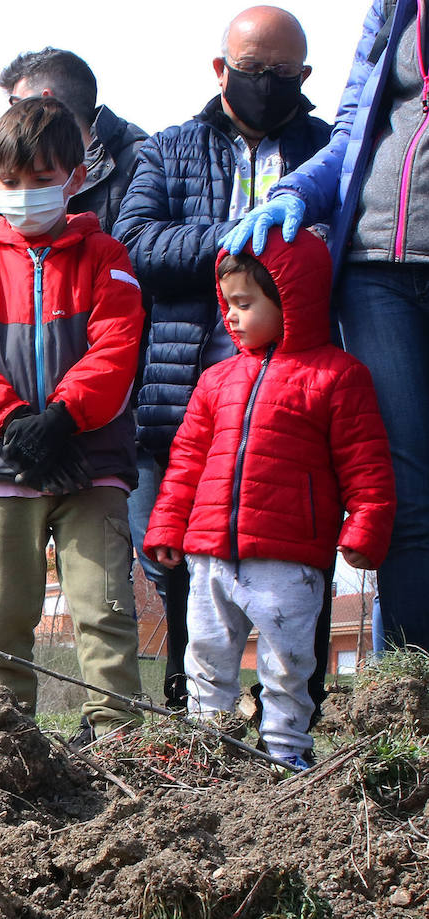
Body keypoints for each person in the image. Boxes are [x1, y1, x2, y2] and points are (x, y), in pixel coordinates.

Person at [113, 5, 331, 707]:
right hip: (180, 398)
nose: (265, 82)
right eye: (250, 70)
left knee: (294, 564)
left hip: (289, 403)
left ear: (304, 76)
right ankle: (187, 709)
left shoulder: (329, 153)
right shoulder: (166, 150)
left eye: (281, 73)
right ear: (220, 70)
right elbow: (136, 244)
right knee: (174, 562)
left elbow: (339, 251)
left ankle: (292, 718)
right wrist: (238, 237)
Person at [221, 0, 429, 657]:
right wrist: (295, 193)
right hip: (376, 271)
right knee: (406, 492)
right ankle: (408, 693)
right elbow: (352, 131)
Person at [144, 231, 394, 770]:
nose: (230, 317)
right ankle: (207, 747)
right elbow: (187, 460)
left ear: (291, 299)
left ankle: (285, 751)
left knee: (288, 663)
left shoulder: (338, 376)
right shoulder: (215, 380)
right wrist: (167, 525)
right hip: (210, 552)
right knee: (205, 657)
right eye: (227, 304)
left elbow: (365, 462)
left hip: (289, 558)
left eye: (244, 304)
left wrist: (366, 525)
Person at [0, 97, 145, 740]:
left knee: (104, 605)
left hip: (91, 465)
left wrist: (62, 417)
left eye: (42, 180)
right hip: (1, 468)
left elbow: (116, 348)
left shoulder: (106, 254)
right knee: (0, 614)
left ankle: (116, 734)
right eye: (11, 182)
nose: (25, 194)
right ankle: (5, 738)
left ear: (75, 178)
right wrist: (14, 420)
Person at [0, 47, 146, 236]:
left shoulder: (142, 160)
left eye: (16, 102)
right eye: (11, 182)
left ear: (47, 101)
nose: (11, 115)